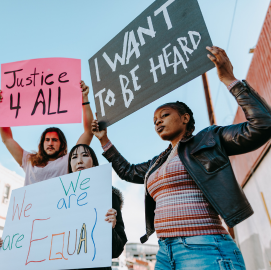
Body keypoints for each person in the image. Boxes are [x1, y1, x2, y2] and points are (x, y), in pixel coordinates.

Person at [91, 46, 271, 269]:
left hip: (205, 247)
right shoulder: (158, 162)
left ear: (185, 118)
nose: (157, 121)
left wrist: (230, 80)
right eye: (154, 120)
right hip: (165, 253)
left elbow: (261, 126)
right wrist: (103, 140)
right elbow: (127, 171)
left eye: (164, 115)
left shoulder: (208, 139)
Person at [0, 144, 128, 270]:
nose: (79, 161)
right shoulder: (54, 197)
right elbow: (38, 239)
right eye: (74, 157)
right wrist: (9, 246)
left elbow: (116, 251)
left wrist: (109, 229)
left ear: (93, 163)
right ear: (70, 165)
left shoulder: (107, 195)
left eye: (85, 156)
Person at [0, 80, 94, 186]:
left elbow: (88, 132)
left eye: (54, 140)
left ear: (62, 144)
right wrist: (2, 108)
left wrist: (84, 98)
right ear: (42, 143)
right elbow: (7, 139)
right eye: (47, 140)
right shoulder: (28, 160)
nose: (50, 143)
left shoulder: (69, 160)